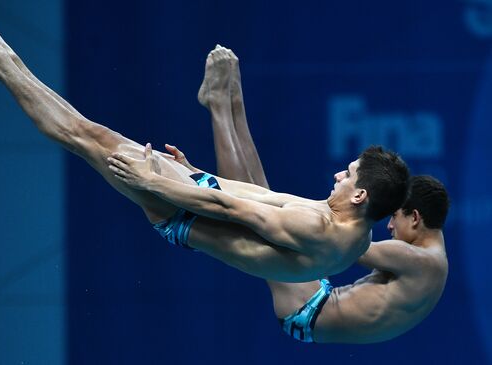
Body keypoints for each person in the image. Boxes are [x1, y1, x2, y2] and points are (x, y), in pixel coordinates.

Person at [0, 14, 409, 283]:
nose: (338, 176)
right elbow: (259, 196)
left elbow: (228, 208)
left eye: (347, 175)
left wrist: (157, 182)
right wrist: (193, 172)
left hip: (182, 211)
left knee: (85, 136)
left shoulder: (318, 226)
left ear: (360, 195)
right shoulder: (357, 234)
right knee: (91, 135)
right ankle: (1, 69)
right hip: (195, 201)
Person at [163, 46, 449, 344]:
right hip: (319, 304)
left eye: (393, 217)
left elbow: (350, 244)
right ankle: (229, 102)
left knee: (254, 209)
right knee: (262, 198)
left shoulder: (419, 259)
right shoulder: (434, 263)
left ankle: (221, 107)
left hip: (309, 311)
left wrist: (314, 212)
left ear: (415, 217)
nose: (388, 226)